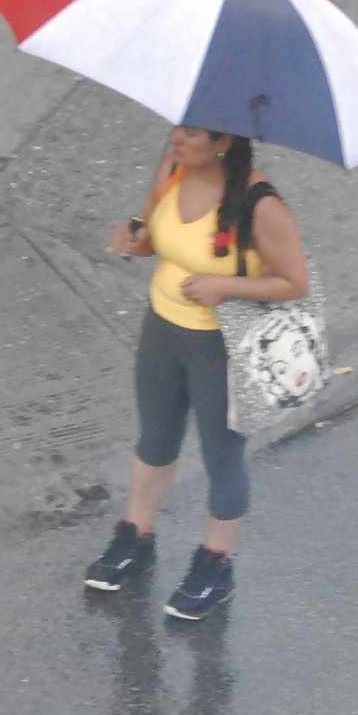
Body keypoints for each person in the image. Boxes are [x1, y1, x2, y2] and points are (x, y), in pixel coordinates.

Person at [84, 126, 308, 620]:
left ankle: (215, 563)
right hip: (161, 330)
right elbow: (154, 243)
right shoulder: (171, 171)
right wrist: (134, 240)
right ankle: (136, 537)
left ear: (223, 142)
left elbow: (294, 281)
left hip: (222, 346)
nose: (174, 137)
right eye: (176, 126)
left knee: (221, 456)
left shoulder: (260, 203)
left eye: (189, 132)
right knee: (155, 441)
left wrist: (223, 286)